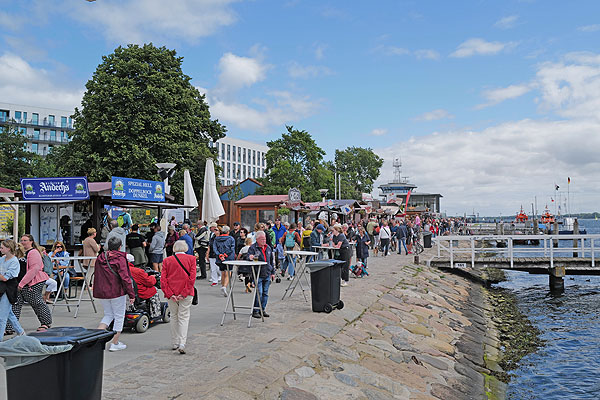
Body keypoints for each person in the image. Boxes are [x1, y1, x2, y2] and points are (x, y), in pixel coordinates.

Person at [94, 236, 135, 352]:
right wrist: (131, 294)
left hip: (103, 291)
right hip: (116, 291)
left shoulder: (100, 257)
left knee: (108, 315)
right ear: (120, 246)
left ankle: (94, 340)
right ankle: (115, 342)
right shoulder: (120, 259)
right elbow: (125, 278)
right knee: (118, 316)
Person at [162, 240, 196, 354]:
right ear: (185, 248)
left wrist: (170, 293)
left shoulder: (167, 261)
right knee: (184, 317)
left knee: (174, 316)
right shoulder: (191, 259)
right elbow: (192, 279)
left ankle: (174, 342)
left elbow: (163, 280)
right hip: (186, 292)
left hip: (172, 293)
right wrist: (184, 292)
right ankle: (182, 342)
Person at [14, 234, 52, 331]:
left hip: (33, 281)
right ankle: (10, 327)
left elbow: (34, 269)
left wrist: (22, 283)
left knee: (36, 302)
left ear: (31, 242)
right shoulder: (20, 252)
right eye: (21, 240)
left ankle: (46, 323)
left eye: (25, 240)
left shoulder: (33, 252)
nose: (22, 242)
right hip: (19, 281)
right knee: (15, 304)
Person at [0, 240, 26, 340]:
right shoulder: (2, 259)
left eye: (2, 248)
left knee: (2, 316)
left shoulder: (14, 261)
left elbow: (6, 278)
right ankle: (21, 332)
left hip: (9, 288)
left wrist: (2, 276)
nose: (0, 249)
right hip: (2, 287)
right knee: (8, 312)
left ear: (8, 249)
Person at [248, 231, 274, 318]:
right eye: (262, 239)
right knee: (259, 292)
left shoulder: (268, 248)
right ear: (257, 239)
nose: (264, 240)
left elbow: (271, 261)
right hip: (258, 273)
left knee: (265, 293)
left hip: (267, 272)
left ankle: (262, 309)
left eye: (265, 239)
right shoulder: (253, 247)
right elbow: (248, 257)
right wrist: (250, 257)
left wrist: (273, 272)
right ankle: (256, 310)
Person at [213, 225, 236, 297]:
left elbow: (215, 248)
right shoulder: (231, 238)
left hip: (220, 258)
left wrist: (220, 255)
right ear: (228, 232)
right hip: (229, 258)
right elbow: (232, 248)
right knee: (228, 272)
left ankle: (223, 286)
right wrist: (225, 255)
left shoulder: (217, 239)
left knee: (223, 272)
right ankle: (224, 287)